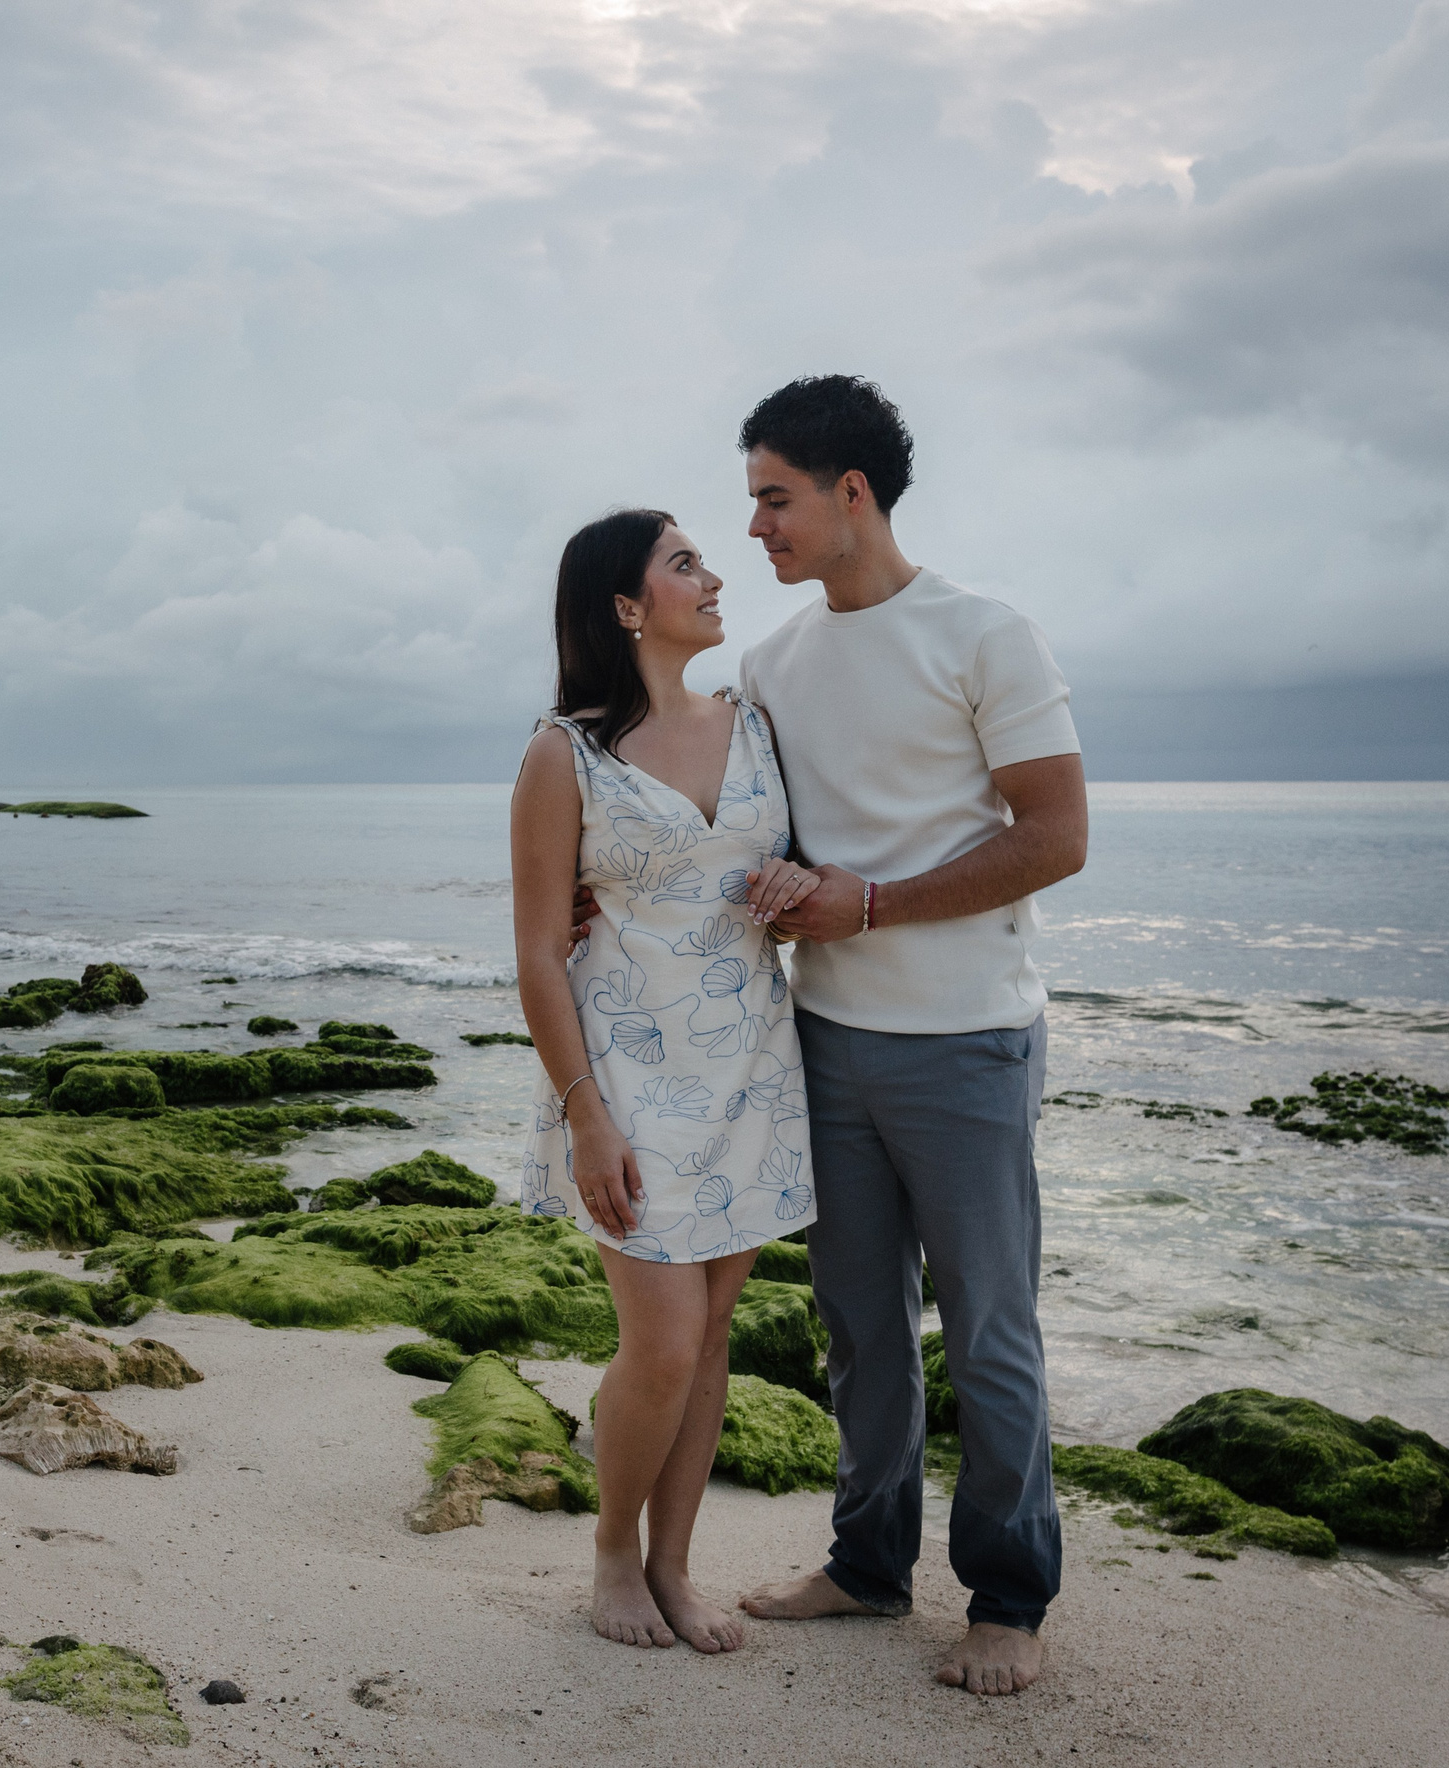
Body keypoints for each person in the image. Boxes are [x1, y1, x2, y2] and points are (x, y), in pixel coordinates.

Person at [728, 376, 1088, 1697]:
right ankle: (870, 1564)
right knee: (859, 1326)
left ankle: (1009, 1594)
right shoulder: (771, 666)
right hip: (823, 1039)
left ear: (851, 494)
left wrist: (867, 901)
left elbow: (1054, 839)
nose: (756, 528)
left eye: (774, 497)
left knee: (989, 1326)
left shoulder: (985, 635)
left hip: (969, 1042)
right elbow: (768, 845)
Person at [509, 507, 824, 1654]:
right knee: (663, 1340)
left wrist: (798, 880)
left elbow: (804, 858)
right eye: (684, 562)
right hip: (626, 1075)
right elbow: (540, 947)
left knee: (716, 1328)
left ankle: (675, 1565)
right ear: (627, 606)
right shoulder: (565, 751)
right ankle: (609, 1553)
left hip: (751, 1061)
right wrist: (586, 1117)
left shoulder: (755, 726)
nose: (713, 575)